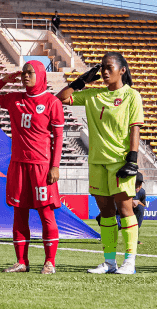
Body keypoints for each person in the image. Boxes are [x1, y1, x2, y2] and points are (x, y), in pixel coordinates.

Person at [58, 53, 143, 275]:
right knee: (105, 212)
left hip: (120, 162)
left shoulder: (132, 96)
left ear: (122, 70)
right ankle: (109, 262)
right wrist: (81, 81)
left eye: (109, 67)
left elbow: (135, 127)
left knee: (125, 210)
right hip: (97, 162)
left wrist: (132, 159)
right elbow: (60, 98)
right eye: (102, 68)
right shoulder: (93, 95)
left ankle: (130, 261)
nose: (105, 72)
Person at [0, 61, 64, 274]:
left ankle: (50, 261)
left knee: (46, 213)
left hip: (41, 167)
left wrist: (54, 166)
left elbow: (58, 137)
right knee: (19, 214)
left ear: (40, 75)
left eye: (30, 73)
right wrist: (4, 81)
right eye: (23, 73)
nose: (25, 76)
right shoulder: (15, 99)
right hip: (18, 165)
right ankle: (22, 261)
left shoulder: (51, 102)